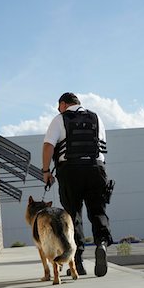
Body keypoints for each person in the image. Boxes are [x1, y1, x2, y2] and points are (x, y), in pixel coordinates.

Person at [42, 92, 113, 277]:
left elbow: (49, 145)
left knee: (72, 216)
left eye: (59, 107)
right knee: (98, 211)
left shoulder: (59, 119)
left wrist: (46, 171)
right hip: (96, 169)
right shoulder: (96, 118)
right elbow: (102, 147)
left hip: (70, 171)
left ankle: (78, 261)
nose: (59, 110)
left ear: (63, 104)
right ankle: (102, 244)